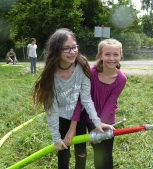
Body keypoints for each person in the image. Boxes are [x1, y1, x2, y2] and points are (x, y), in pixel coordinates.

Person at [32, 28, 114, 169]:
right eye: (67, 49)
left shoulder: (81, 66)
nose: (72, 52)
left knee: (81, 153)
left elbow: (86, 99)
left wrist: (97, 122)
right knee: (63, 154)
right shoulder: (51, 74)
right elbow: (51, 109)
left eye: (74, 47)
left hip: (79, 116)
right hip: (61, 118)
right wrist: (56, 139)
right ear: (56, 50)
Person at [71, 38, 127, 169]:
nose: (111, 58)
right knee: (88, 150)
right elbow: (82, 98)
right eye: (107, 54)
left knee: (104, 155)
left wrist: (100, 123)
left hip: (107, 120)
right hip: (87, 117)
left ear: (120, 56)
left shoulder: (121, 79)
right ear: (100, 55)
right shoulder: (91, 73)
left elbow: (110, 103)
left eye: (115, 54)